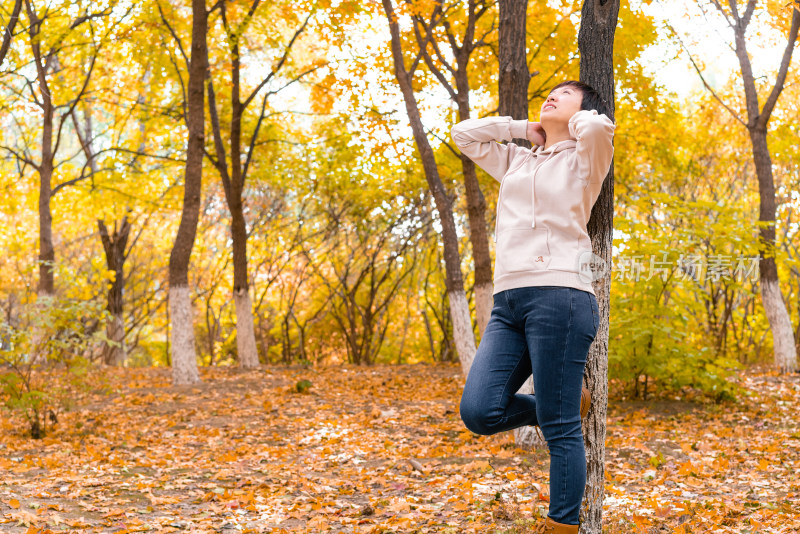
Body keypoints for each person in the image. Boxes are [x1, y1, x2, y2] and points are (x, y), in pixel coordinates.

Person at [450, 80, 615, 534]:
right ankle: (562, 402)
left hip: (559, 296)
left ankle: (561, 526)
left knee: (560, 428)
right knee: (479, 413)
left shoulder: (586, 157)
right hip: (508, 302)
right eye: (551, 93)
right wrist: (524, 127)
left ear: (584, 108)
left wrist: (575, 121)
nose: (553, 96)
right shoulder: (517, 161)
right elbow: (462, 134)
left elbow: (601, 129)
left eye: (566, 93)